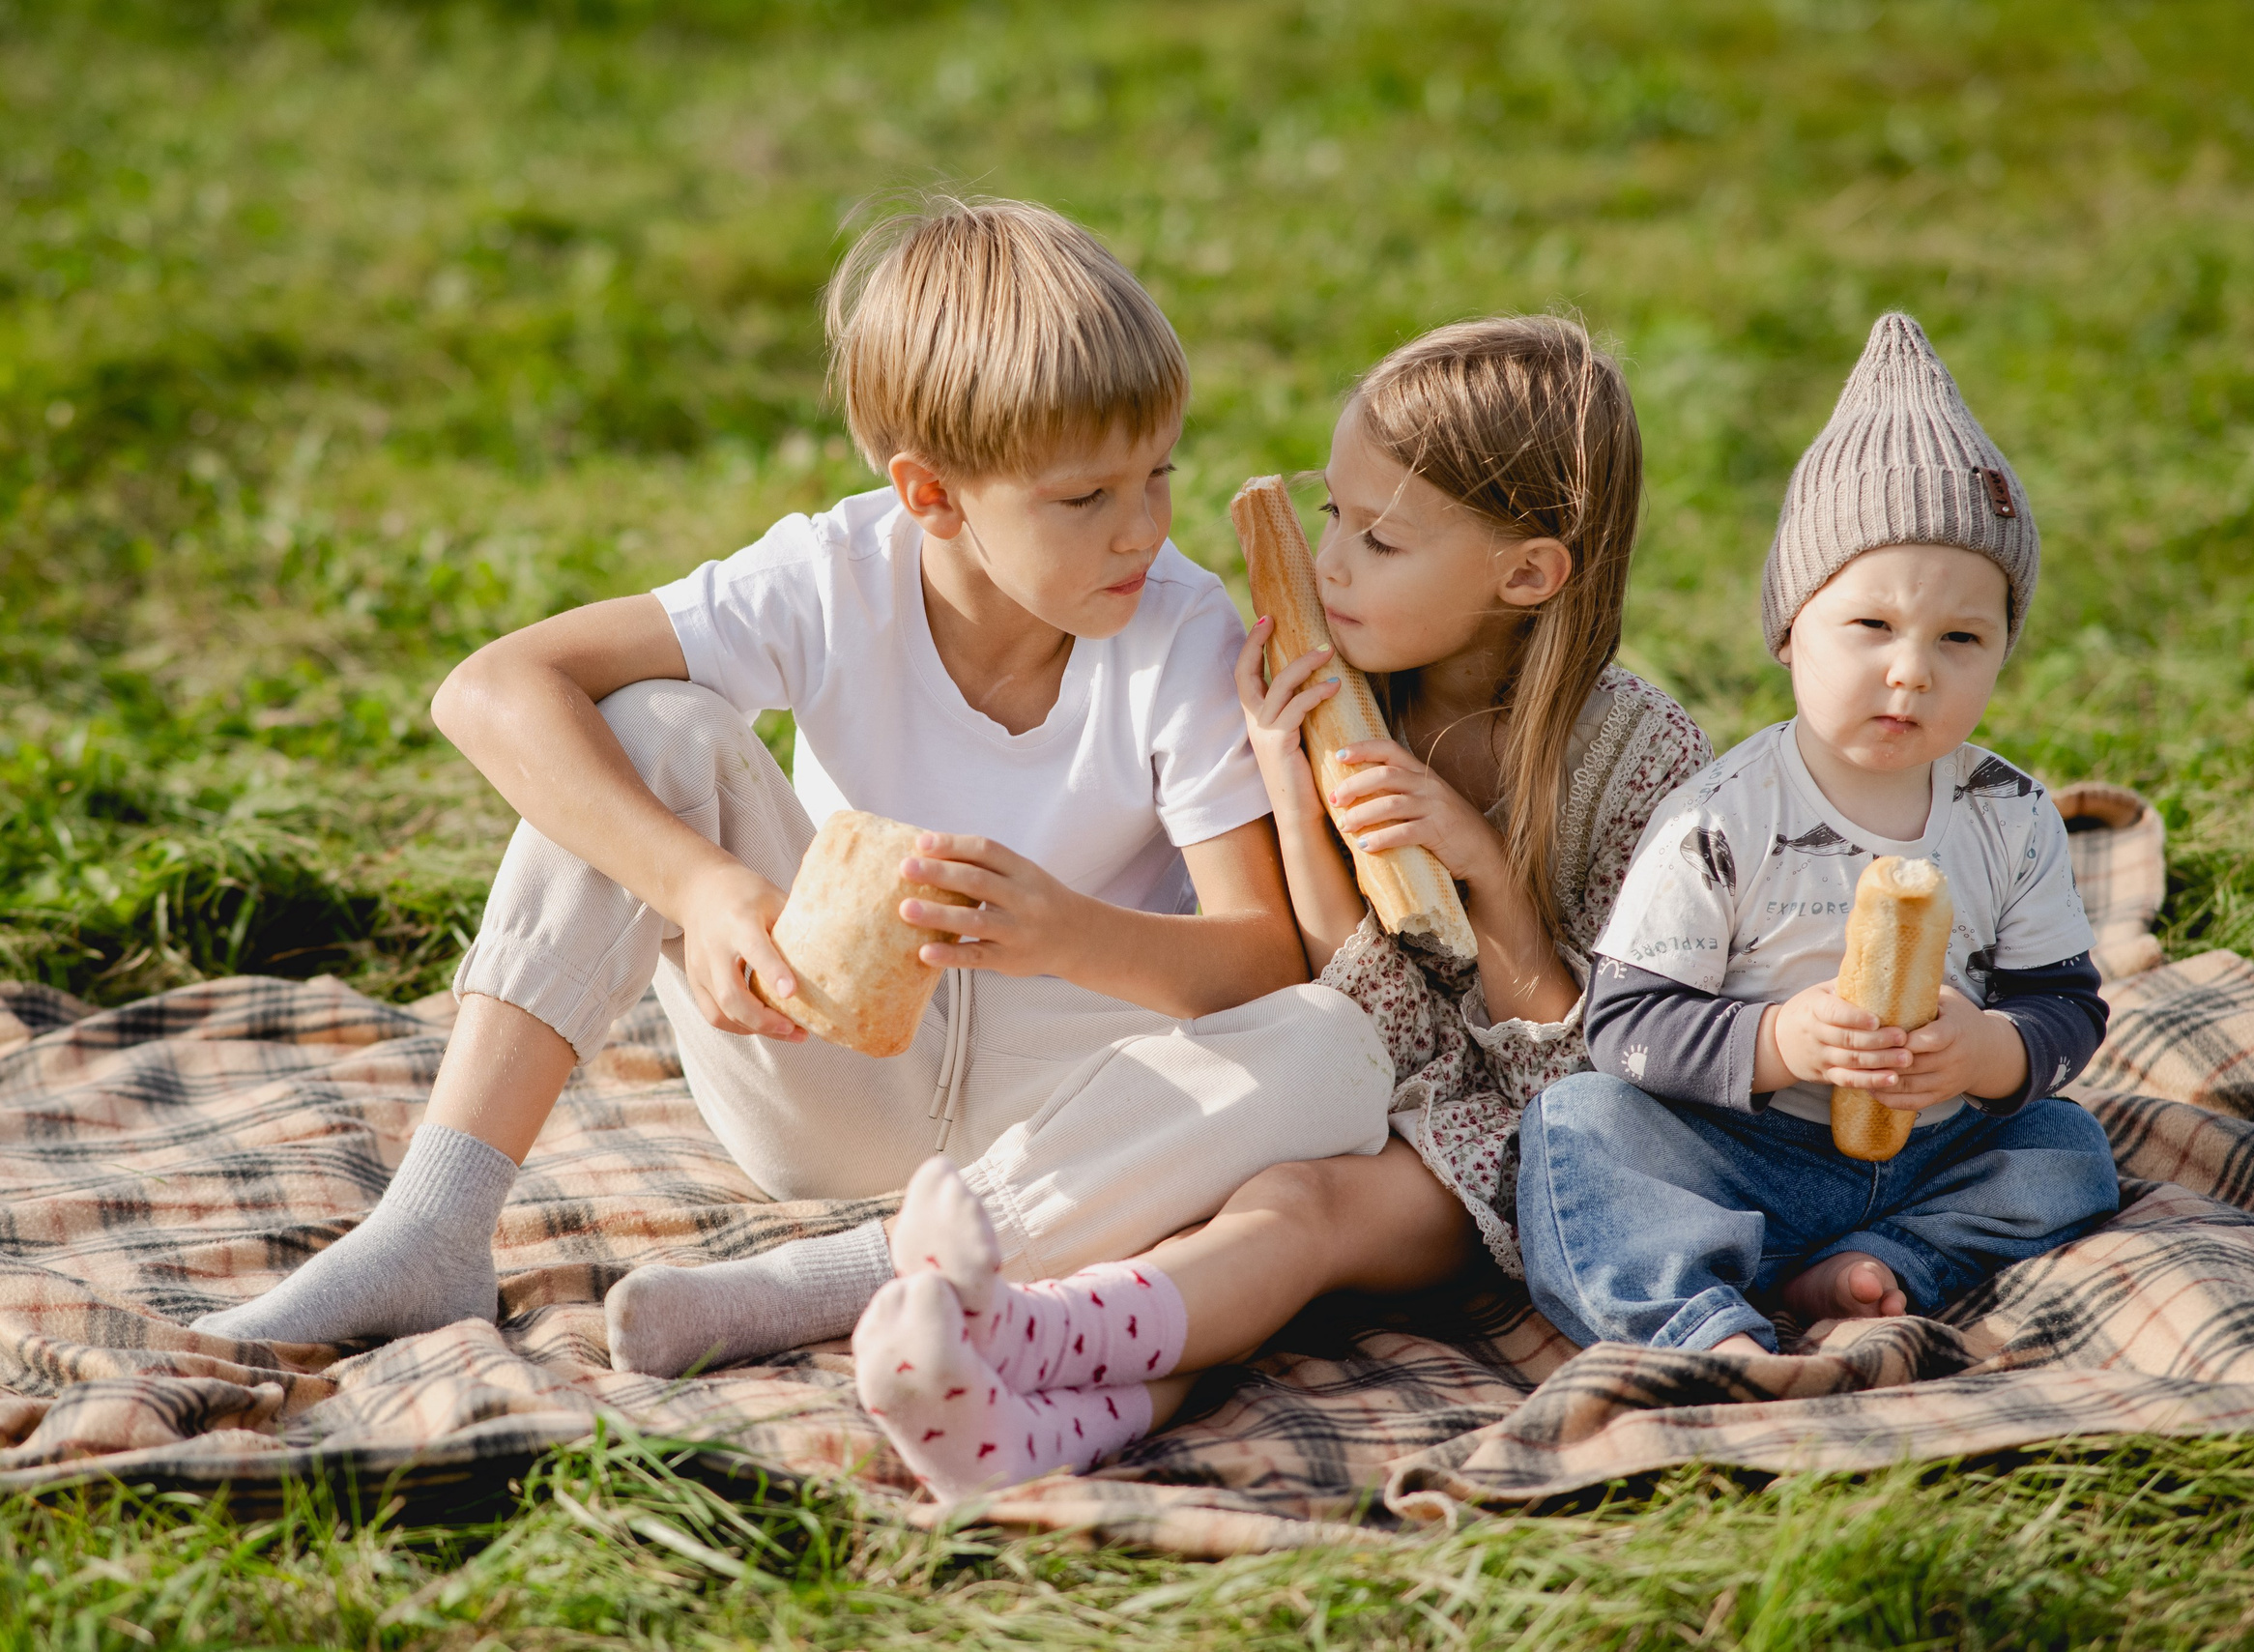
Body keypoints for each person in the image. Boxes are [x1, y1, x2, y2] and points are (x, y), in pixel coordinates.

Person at [190, 196, 1399, 1365]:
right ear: (928, 494)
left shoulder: (1177, 630)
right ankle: (432, 1226)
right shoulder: (830, 575)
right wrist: (707, 889)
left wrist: (1067, 933)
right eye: (1084, 497)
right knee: (650, 726)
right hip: (833, 1079)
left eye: (1159, 475)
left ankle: (843, 1279)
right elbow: (492, 688)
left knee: (1337, 1045)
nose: (1141, 530)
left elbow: (1262, 959)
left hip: (1078, 1109)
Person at [850, 315, 1714, 1498]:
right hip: (1357, 1073)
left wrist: (1492, 880)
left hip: (1517, 1149)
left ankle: (1011, 1330)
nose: (1334, 564)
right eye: (1332, 519)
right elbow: (1329, 990)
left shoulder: (1640, 761)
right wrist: (1286, 785)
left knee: (1292, 1209)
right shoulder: (1341, 693)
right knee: (1210, 1226)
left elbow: (1603, 1079)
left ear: (1525, 572)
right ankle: (1013, 1434)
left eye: (1383, 538)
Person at [1517, 311, 2120, 1357]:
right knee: (1577, 1127)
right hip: (1743, 1152)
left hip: (1936, 1147)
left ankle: (1884, 1263)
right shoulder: (1721, 815)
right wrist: (1779, 1040)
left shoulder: (2009, 811)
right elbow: (1625, 1022)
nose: (1911, 669)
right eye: (1870, 626)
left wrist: (1987, 1051)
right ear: (1791, 631)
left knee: (2068, 1151)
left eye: (1962, 637)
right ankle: (1700, 1323)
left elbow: (2063, 1002)